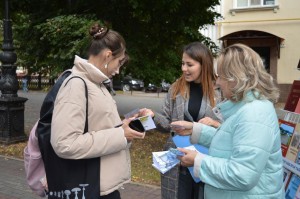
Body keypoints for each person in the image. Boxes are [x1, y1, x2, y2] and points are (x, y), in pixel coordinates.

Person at [171, 43, 285, 199]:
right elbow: (232, 141)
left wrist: (198, 161)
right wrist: (196, 130)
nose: (217, 83)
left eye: (221, 77)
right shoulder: (247, 108)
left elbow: (243, 175)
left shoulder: (254, 114)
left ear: (235, 78)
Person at [50, 23, 145, 199]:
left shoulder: (96, 83)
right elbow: (64, 143)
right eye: (119, 62)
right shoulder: (77, 84)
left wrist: (125, 128)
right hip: (89, 188)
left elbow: (99, 127)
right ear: (108, 56)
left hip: (102, 186)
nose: (118, 70)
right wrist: (119, 135)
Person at [141, 42, 222, 199]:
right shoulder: (176, 87)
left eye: (189, 64)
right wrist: (151, 117)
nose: (184, 69)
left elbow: (230, 129)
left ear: (204, 65)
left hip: (207, 162)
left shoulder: (220, 92)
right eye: (182, 64)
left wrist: (215, 123)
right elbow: (166, 124)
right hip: (177, 164)